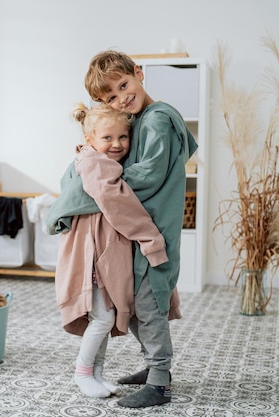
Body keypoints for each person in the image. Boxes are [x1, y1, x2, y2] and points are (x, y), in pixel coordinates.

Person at [83, 49, 198, 408]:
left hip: (155, 235)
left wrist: (102, 180)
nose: (121, 98)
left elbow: (147, 177)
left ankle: (160, 383)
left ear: (138, 73)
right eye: (111, 97)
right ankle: (154, 368)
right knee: (134, 306)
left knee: (149, 310)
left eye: (123, 85)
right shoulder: (144, 118)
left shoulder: (157, 120)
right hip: (144, 232)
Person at [45, 103, 170, 398]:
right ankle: (83, 373)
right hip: (92, 257)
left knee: (104, 316)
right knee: (102, 317)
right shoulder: (95, 163)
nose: (116, 144)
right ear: (90, 139)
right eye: (107, 138)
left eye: (123, 137)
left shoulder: (95, 159)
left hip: (97, 252)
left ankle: (97, 375)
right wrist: (151, 240)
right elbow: (119, 205)